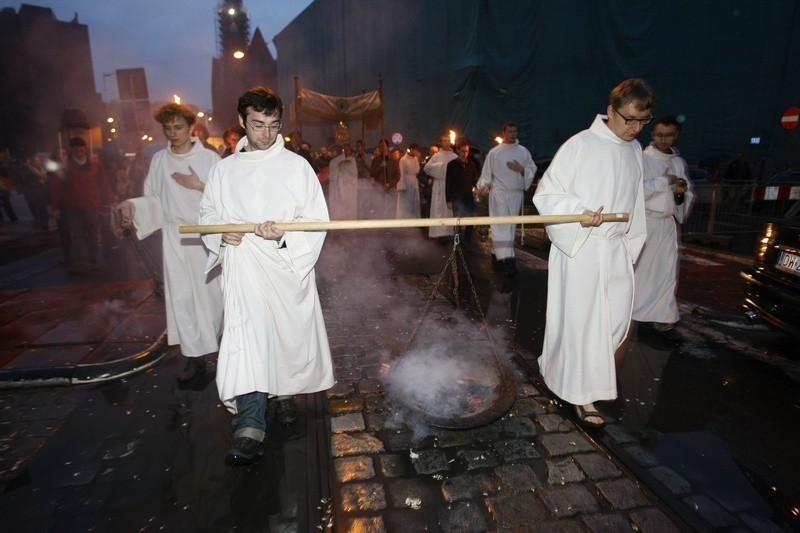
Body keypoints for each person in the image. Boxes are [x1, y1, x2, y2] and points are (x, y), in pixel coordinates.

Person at [199, 86, 334, 466]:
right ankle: (250, 423)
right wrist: (220, 231)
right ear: (242, 122)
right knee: (248, 342)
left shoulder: (297, 167)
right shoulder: (223, 171)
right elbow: (207, 214)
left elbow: (316, 220)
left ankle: (285, 393)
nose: (266, 134)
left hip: (284, 268)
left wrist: (287, 235)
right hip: (242, 266)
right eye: (257, 125)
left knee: (284, 338)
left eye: (273, 125)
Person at [532, 78, 652, 429]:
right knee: (583, 326)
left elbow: (636, 207)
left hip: (613, 249)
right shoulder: (580, 145)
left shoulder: (633, 152)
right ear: (612, 110)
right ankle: (580, 395)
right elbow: (548, 194)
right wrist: (579, 212)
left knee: (612, 324)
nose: (635, 128)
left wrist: (630, 246)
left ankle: (561, 369)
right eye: (629, 119)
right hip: (581, 249)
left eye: (642, 121)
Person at [114, 103, 224, 383]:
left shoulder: (210, 159)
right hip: (175, 238)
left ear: (191, 128)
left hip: (205, 236)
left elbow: (227, 198)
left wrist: (199, 185)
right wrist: (131, 206)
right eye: (168, 128)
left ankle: (224, 352)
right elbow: (154, 199)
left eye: (178, 127)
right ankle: (194, 358)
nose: (173, 133)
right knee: (182, 298)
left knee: (212, 298)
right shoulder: (160, 161)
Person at [633, 115, 694, 334]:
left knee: (666, 271)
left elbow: (684, 193)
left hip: (667, 225)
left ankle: (663, 315)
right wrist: (663, 182)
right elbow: (636, 190)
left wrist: (680, 194)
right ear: (652, 135)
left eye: (669, 135)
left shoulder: (677, 162)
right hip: (648, 222)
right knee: (644, 271)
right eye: (659, 134)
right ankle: (637, 312)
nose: (663, 140)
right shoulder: (643, 158)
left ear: (676, 135)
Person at [476, 122, 537, 275]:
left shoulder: (523, 152)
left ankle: (496, 256)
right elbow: (486, 174)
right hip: (499, 195)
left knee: (509, 228)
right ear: (503, 133)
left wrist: (522, 169)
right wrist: (482, 187)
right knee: (501, 226)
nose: (512, 134)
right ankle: (509, 261)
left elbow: (532, 169)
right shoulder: (495, 153)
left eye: (515, 131)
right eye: (509, 131)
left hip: (515, 194)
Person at [50, 137, 115, 274]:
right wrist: (55, 207)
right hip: (73, 208)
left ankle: (95, 262)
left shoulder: (95, 165)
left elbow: (103, 182)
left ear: (85, 149)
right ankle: (83, 263)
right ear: (72, 151)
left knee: (92, 236)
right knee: (78, 237)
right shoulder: (65, 167)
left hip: (92, 206)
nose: (80, 153)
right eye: (76, 150)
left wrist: (109, 198)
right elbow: (57, 187)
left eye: (81, 150)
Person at [423, 134, 457, 242]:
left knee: (449, 210)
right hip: (440, 184)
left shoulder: (454, 156)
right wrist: (439, 167)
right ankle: (440, 233)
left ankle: (449, 232)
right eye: (444, 141)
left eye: (448, 141)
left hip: (451, 185)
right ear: (441, 143)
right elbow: (427, 168)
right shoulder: (437, 156)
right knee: (439, 209)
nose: (447, 143)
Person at [445, 140, 479, 243]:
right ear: (458, 151)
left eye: (467, 151)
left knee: (470, 218)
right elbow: (448, 183)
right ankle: (458, 241)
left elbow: (474, 180)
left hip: (468, 196)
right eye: (463, 151)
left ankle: (468, 240)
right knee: (457, 220)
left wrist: (477, 188)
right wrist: (449, 200)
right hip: (456, 197)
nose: (465, 154)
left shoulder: (471, 164)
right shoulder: (452, 165)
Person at [327, 142, 358, 220]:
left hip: (349, 188)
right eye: (344, 150)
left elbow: (353, 173)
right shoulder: (334, 161)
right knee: (338, 207)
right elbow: (333, 175)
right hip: (337, 188)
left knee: (349, 207)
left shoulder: (352, 160)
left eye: (348, 150)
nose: (346, 152)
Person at [369, 139, 400, 218]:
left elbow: (398, 176)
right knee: (379, 210)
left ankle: (390, 228)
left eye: (383, 146)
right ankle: (380, 228)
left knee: (391, 210)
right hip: (379, 189)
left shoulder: (394, 160)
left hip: (391, 189)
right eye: (379, 146)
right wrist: (380, 166)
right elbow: (372, 174)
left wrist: (389, 184)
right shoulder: (375, 160)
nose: (381, 147)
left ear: (388, 147)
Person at [396, 143, 421, 219]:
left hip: (413, 181)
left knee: (415, 201)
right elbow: (401, 173)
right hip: (406, 181)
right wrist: (401, 186)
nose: (417, 152)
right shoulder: (403, 159)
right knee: (406, 202)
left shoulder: (415, 159)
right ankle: (405, 218)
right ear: (412, 149)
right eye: (415, 150)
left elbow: (417, 171)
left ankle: (414, 219)